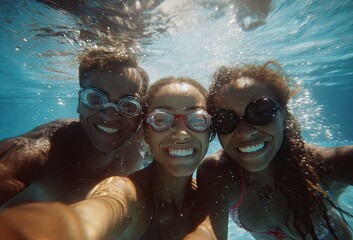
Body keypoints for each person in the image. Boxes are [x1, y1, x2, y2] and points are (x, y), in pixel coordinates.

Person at [0, 77, 215, 240]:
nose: (181, 133)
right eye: (161, 119)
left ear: (210, 130)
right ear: (146, 133)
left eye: (196, 120)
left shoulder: (212, 193)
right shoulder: (125, 192)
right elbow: (93, 216)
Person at [194, 61, 353, 239]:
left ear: (284, 116)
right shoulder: (218, 173)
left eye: (261, 112)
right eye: (225, 120)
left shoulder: (326, 165)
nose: (245, 132)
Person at [0, 47, 149, 207]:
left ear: (141, 112)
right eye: (95, 98)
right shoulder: (41, 152)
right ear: (79, 102)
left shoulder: (142, 137)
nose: (110, 116)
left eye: (128, 106)